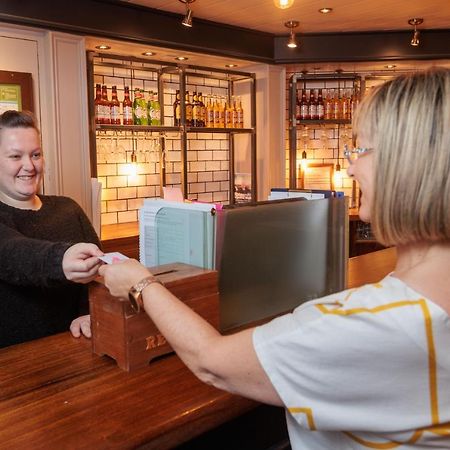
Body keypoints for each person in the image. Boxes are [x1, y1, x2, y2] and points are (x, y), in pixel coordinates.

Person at [99, 68, 450, 449]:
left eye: (360, 149)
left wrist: (139, 282)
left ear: (408, 164)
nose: (350, 166)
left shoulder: (369, 325)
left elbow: (211, 361)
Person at [0, 110, 103, 348]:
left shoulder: (68, 208)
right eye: (15, 156)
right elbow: (13, 252)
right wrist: (61, 259)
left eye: (36, 154)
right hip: (14, 366)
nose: (29, 165)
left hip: (77, 352)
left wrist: (91, 312)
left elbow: (99, 276)